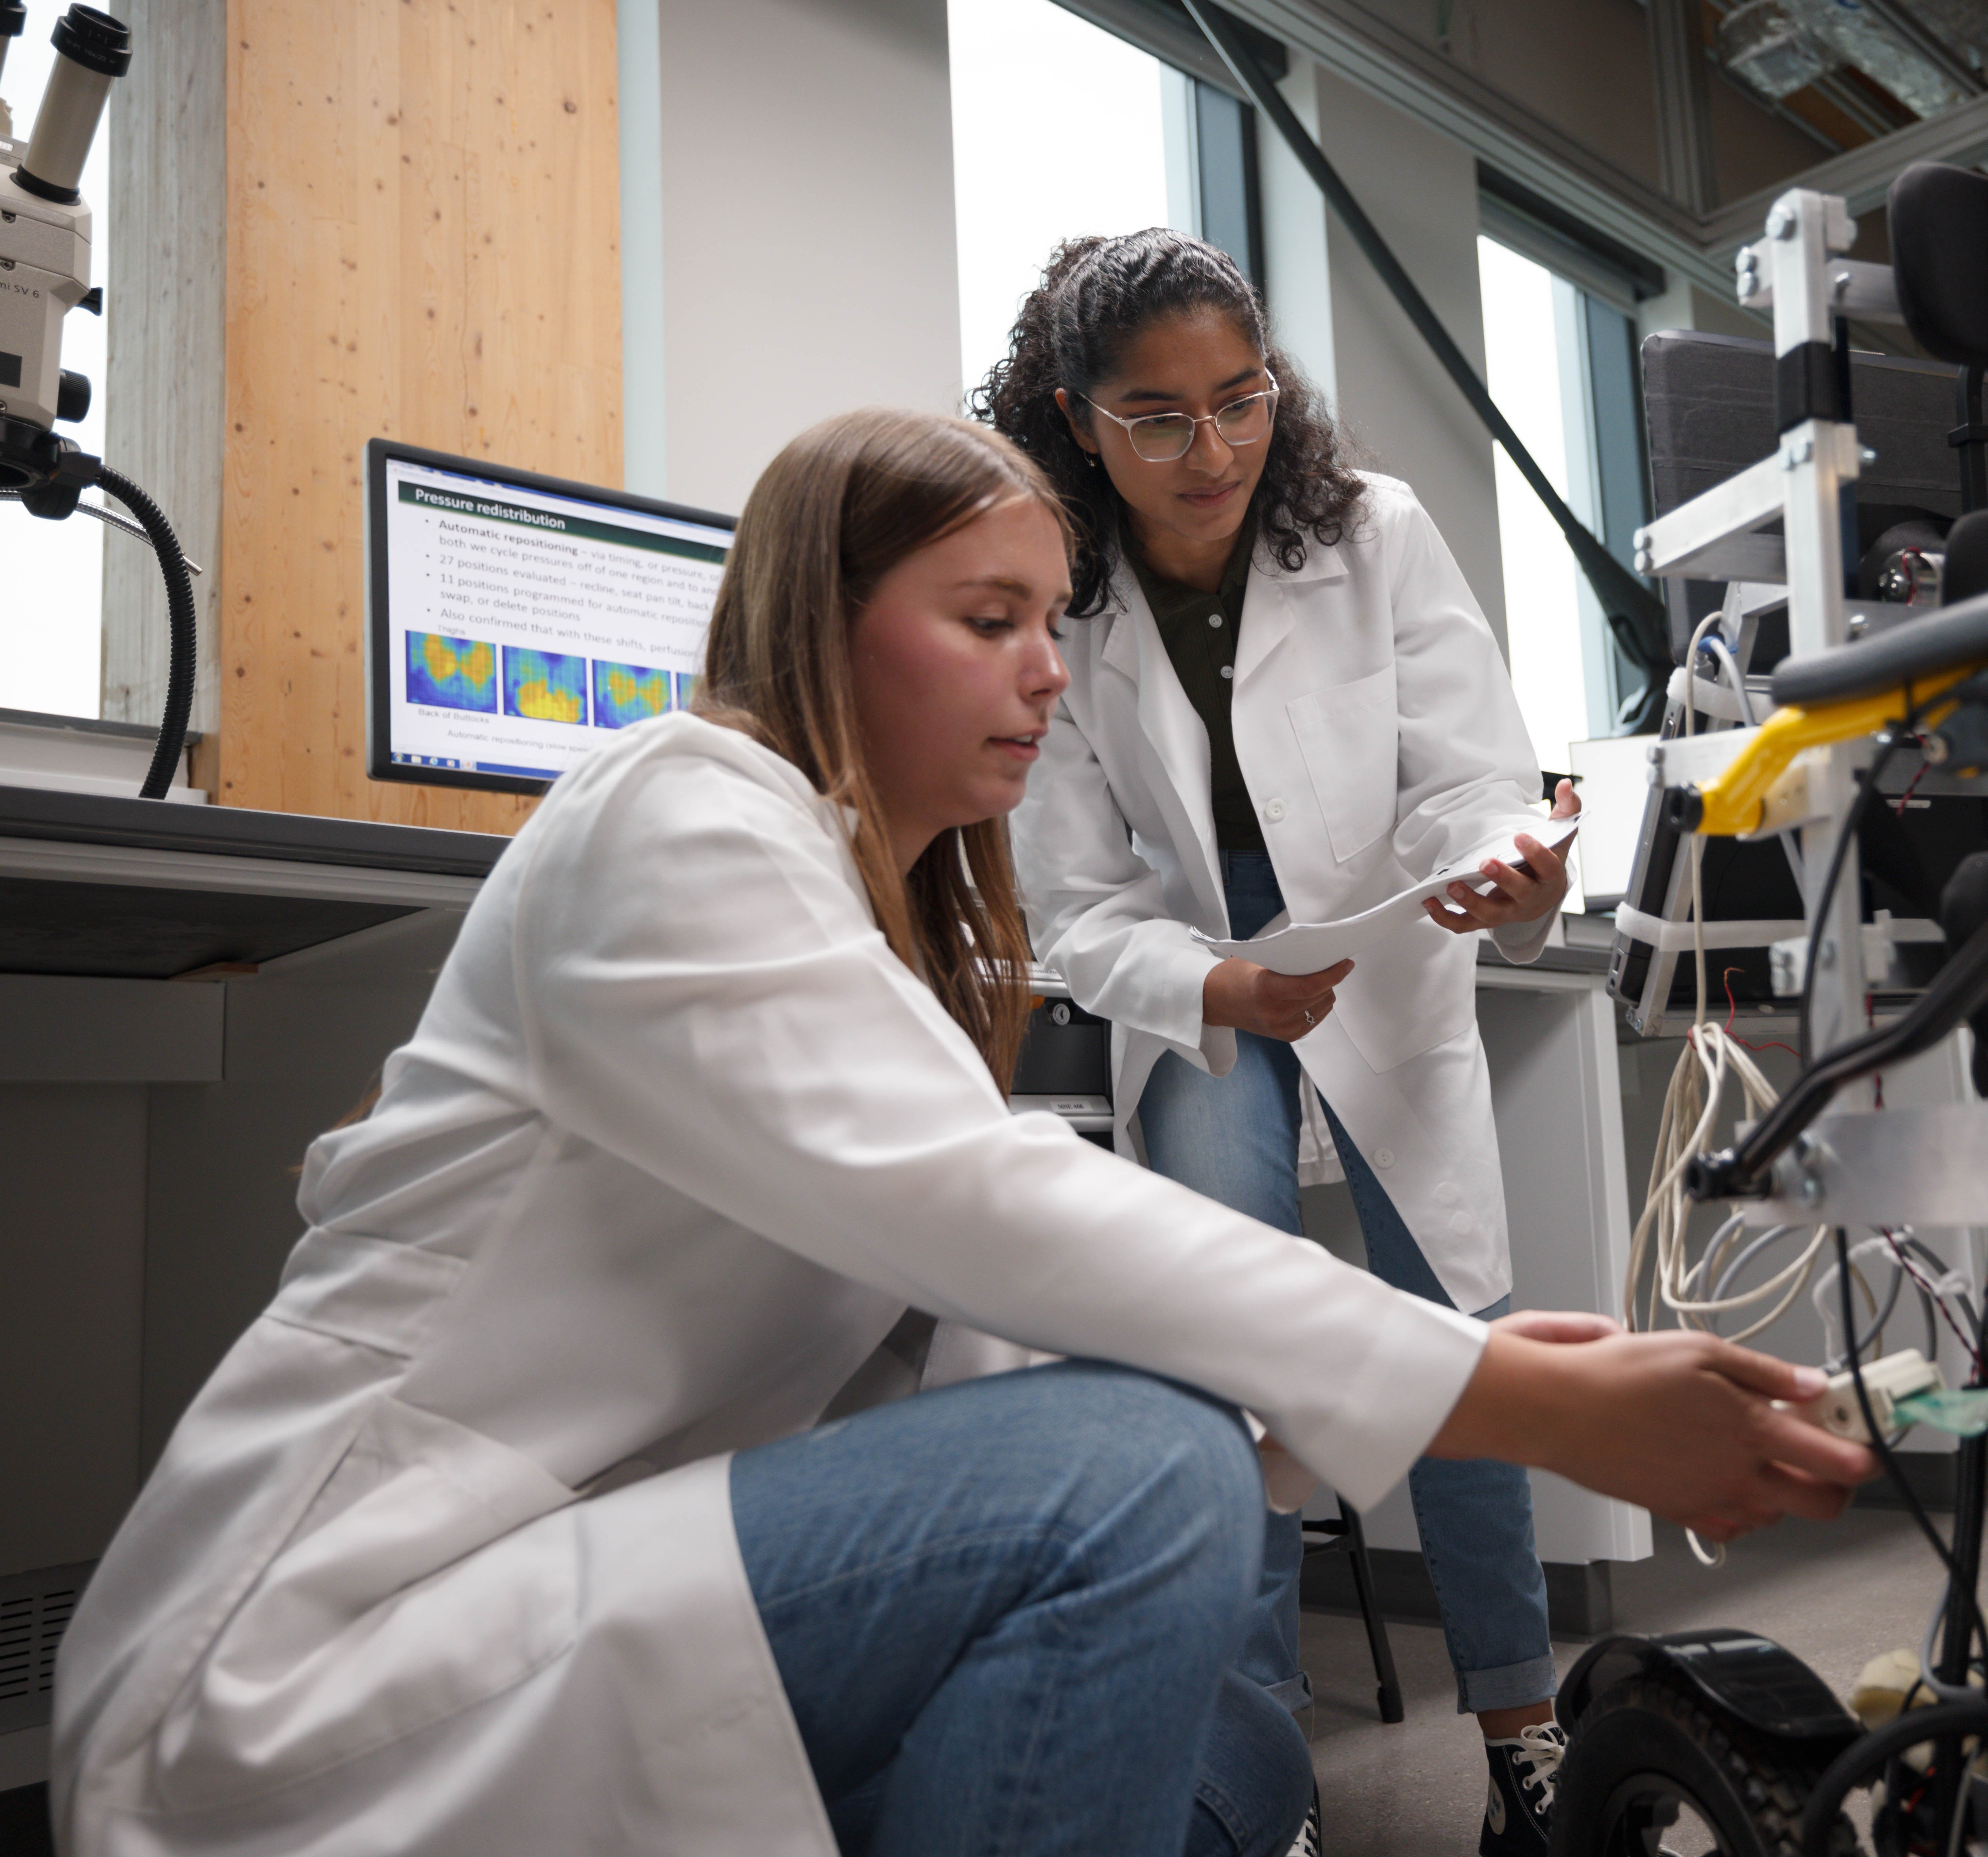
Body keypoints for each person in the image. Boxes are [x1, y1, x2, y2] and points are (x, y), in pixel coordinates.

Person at [49, 409, 1876, 1857]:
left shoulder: (869, 939)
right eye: (987, 621)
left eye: (1044, 623)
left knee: (1237, 1745)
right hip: (305, 1667)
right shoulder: (676, 808)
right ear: (821, 626)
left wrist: (1424, 1384)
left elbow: (974, 1362)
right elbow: (997, 1220)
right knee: (1135, 1488)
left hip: (598, 1589)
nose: (1048, 671)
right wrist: (1514, 1398)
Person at [980, 230, 1585, 1855]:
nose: (1213, 450)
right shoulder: (1062, 580)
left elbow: (1471, 767)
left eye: (1239, 401)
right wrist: (1214, 990)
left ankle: (1523, 1741)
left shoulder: (1367, 531)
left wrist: (1511, 857)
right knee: (1222, 1358)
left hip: (1385, 962)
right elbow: (1076, 900)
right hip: (1197, 992)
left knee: (1456, 1338)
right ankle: (1254, 1783)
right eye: (1157, 416)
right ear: (1075, 415)